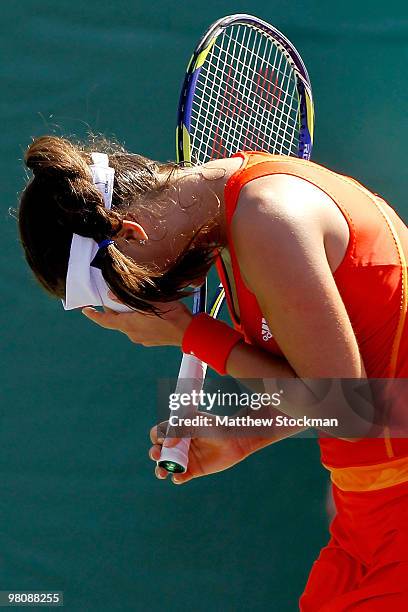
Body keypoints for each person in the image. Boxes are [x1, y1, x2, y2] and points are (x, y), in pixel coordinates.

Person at [18, 135, 408, 610]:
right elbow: (359, 387)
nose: (153, 296)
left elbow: (346, 411)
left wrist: (193, 334)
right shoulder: (242, 215)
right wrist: (244, 434)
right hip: (367, 524)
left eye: (129, 289)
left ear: (130, 233)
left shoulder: (268, 218)